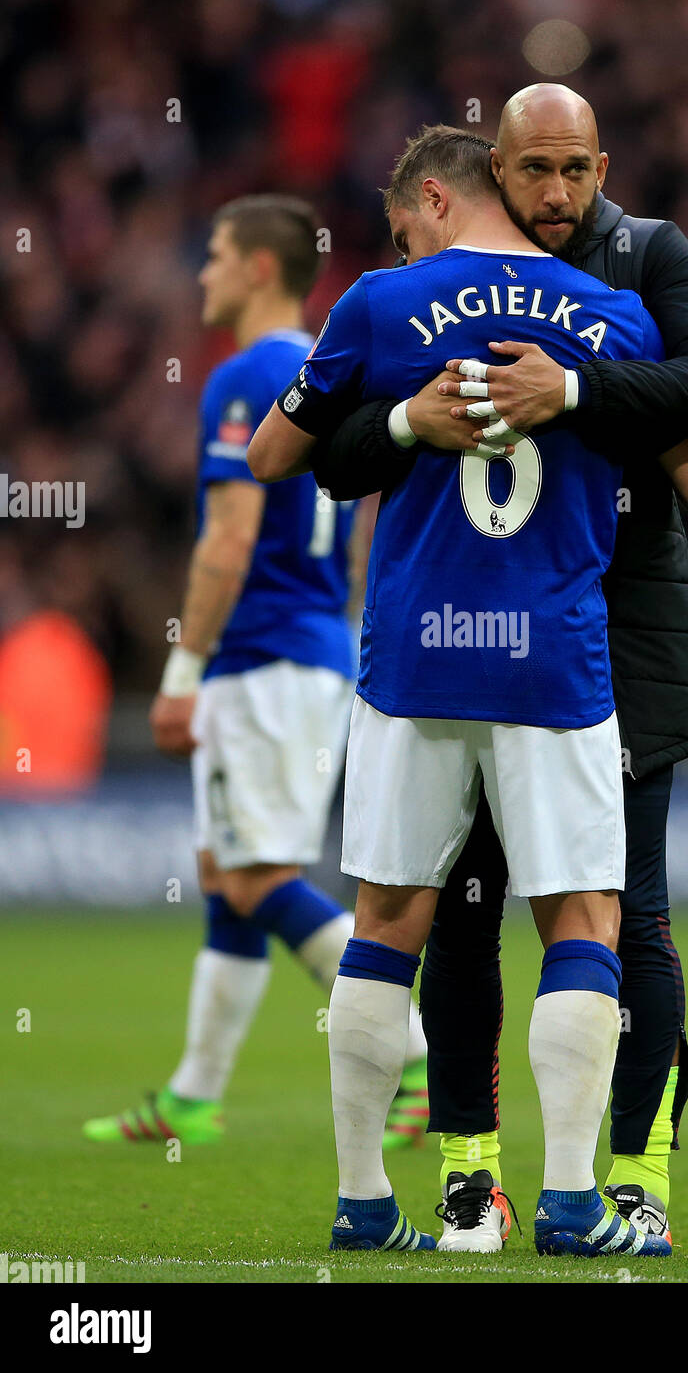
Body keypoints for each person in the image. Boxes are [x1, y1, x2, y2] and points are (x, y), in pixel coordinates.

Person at [310, 85, 688, 1252]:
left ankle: (633, 1176)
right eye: (534, 174)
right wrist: (409, 420)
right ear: (495, 174)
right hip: (533, 639)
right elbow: (343, 454)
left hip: (612, 636)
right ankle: (475, 1177)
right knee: (469, 917)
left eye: (574, 172)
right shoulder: (533, 295)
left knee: (629, 919)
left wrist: (578, 390)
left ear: (600, 166)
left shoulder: (646, 260)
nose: (555, 194)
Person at [82, 195, 427, 1148]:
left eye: (217, 256)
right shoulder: (330, 371)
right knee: (224, 867)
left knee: (256, 876)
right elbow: (357, 520)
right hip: (311, 645)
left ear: (261, 271)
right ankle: (195, 1094)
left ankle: (417, 1051)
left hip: (261, 654)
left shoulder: (245, 379)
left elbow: (228, 540)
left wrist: (181, 669)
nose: (203, 273)